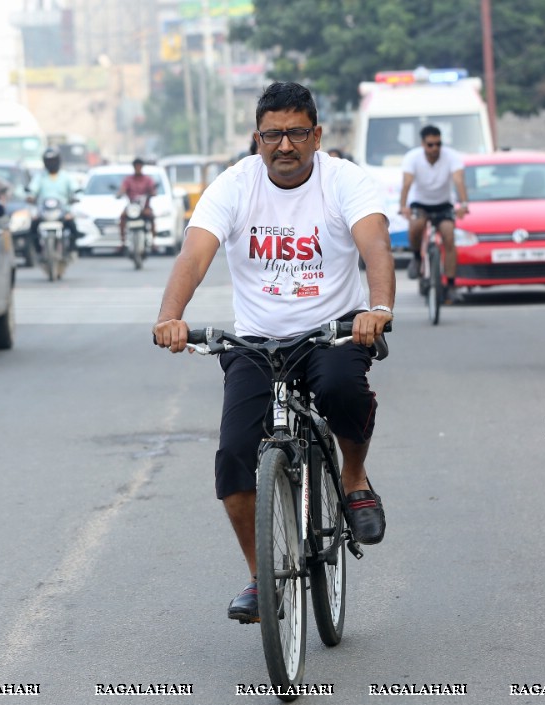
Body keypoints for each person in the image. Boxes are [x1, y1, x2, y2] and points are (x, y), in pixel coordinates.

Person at [153, 81, 395, 622]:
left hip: (332, 333)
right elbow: (195, 255)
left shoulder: (344, 181)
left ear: (316, 134)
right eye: (272, 135)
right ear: (256, 138)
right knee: (235, 454)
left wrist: (376, 308)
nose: (284, 146)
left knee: (339, 390)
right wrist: (171, 316)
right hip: (257, 342)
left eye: (296, 133)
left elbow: (375, 245)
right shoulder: (234, 185)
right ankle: (262, 579)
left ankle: (354, 480)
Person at [398, 125, 469, 302]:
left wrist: (464, 204)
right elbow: (407, 183)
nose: (435, 148)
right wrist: (403, 206)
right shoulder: (412, 157)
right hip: (420, 203)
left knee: (449, 236)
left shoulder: (451, 156)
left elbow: (459, 180)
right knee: (415, 225)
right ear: (423, 144)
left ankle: (451, 285)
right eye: (430, 145)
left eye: (438, 144)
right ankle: (416, 257)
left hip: (443, 204)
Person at [26, 147, 78, 254]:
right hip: (44, 210)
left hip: (62, 210)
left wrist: (76, 197)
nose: (51, 163)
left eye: (53, 161)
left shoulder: (65, 176)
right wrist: (30, 196)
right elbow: (32, 189)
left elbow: (75, 189)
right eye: (49, 161)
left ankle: (72, 249)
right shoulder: (40, 176)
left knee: (73, 226)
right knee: (33, 226)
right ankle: (38, 250)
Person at [115, 158, 157, 243]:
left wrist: (152, 193)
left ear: (142, 167)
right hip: (132, 207)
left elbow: (153, 190)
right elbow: (123, 189)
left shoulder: (147, 179)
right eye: (136, 166)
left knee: (152, 217)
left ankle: (153, 242)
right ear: (134, 167)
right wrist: (120, 194)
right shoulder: (128, 180)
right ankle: (122, 242)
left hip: (144, 207)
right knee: (122, 217)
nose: (138, 168)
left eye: (139, 166)